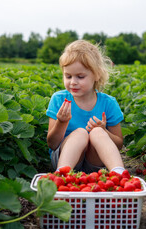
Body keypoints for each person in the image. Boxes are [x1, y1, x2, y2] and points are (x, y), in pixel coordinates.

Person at [46, 40, 125, 175]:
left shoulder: (108, 103)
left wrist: (104, 131)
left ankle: (119, 174)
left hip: (95, 164)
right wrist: (61, 122)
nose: (73, 82)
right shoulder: (59, 100)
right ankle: (61, 175)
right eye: (68, 76)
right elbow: (52, 144)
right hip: (66, 161)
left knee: (97, 132)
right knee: (80, 133)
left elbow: (118, 144)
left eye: (80, 77)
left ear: (97, 74)